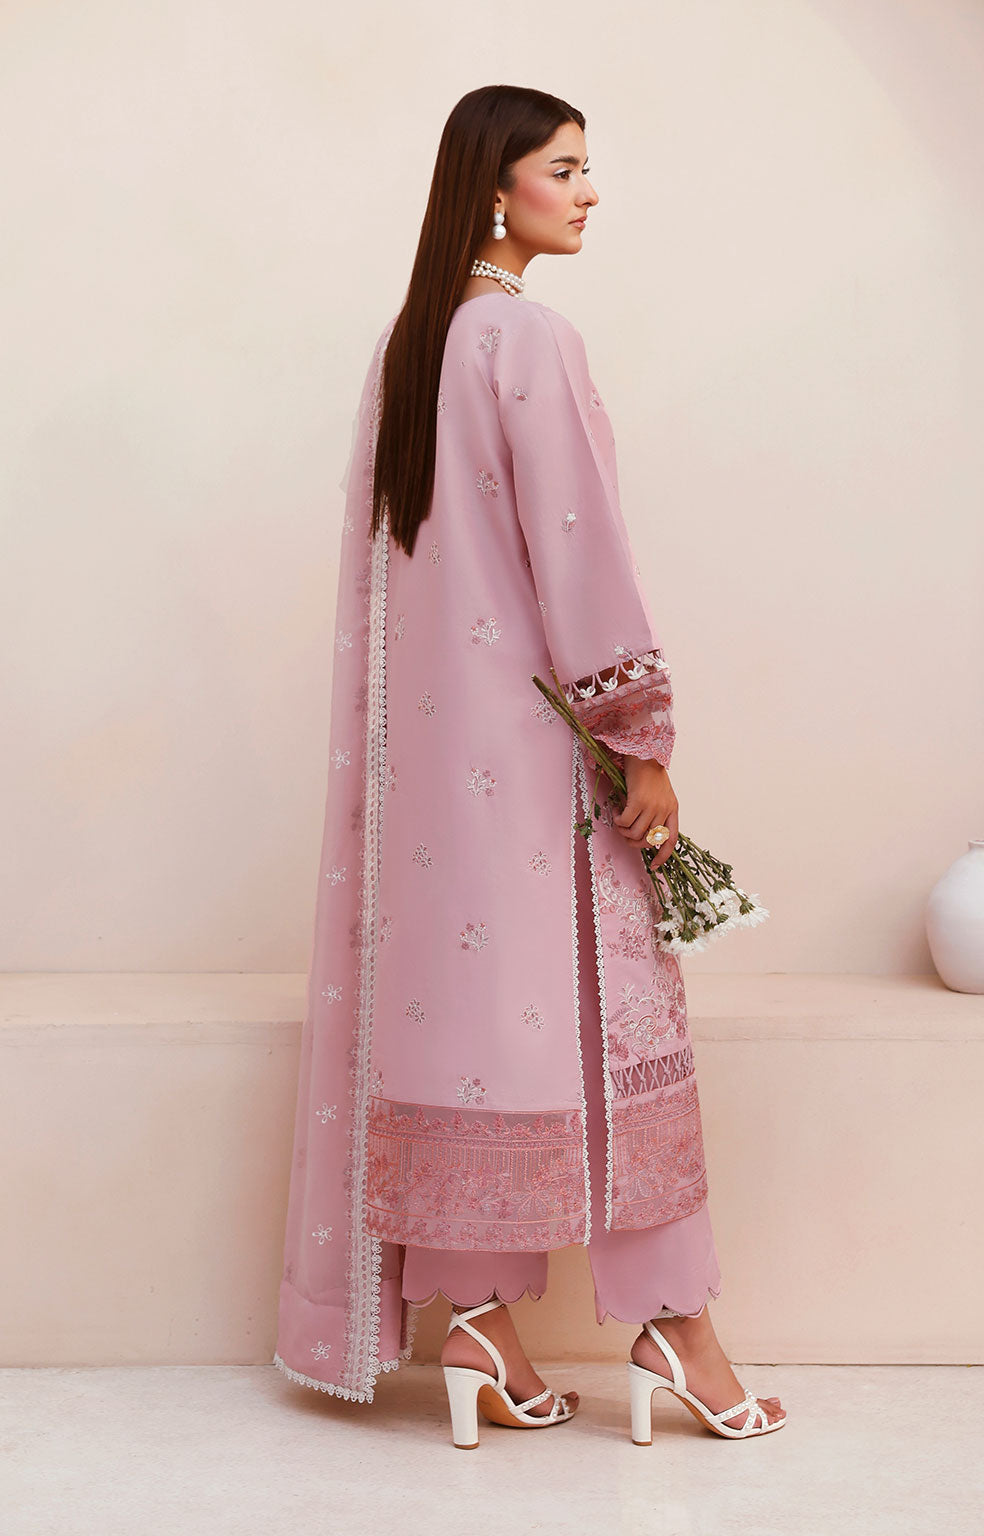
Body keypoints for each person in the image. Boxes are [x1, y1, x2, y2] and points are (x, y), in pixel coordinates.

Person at [273, 84, 786, 1449]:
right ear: (497, 188)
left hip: (434, 779)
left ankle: (481, 1327)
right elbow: (578, 553)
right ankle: (677, 1334)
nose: (588, 191)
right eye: (565, 168)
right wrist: (640, 741)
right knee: (618, 1033)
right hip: (545, 760)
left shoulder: (411, 346)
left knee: (470, 1037)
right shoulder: (528, 339)